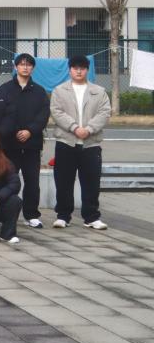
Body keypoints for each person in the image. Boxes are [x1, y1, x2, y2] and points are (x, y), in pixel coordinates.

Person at [50, 55, 111, 230]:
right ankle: (63, 216)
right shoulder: (59, 90)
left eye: (82, 68)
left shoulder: (99, 91)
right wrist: (74, 127)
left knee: (91, 182)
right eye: (75, 68)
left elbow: (105, 112)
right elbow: (56, 111)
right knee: (63, 181)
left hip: (91, 144)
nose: (78, 71)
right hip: (66, 142)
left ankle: (91, 217)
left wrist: (89, 129)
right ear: (69, 70)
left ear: (87, 70)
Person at [0, 53, 50, 229]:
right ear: (15, 67)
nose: (25, 67)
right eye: (21, 64)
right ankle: (3, 214)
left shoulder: (39, 91)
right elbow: (2, 114)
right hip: (10, 144)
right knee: (6, 180)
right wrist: (14, 131)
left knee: (32, 181)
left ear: (33, 68)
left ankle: (31, 215)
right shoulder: (5, 89)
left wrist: (30, 131)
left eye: (28, 65)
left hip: (32, 145)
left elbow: (44, 114)